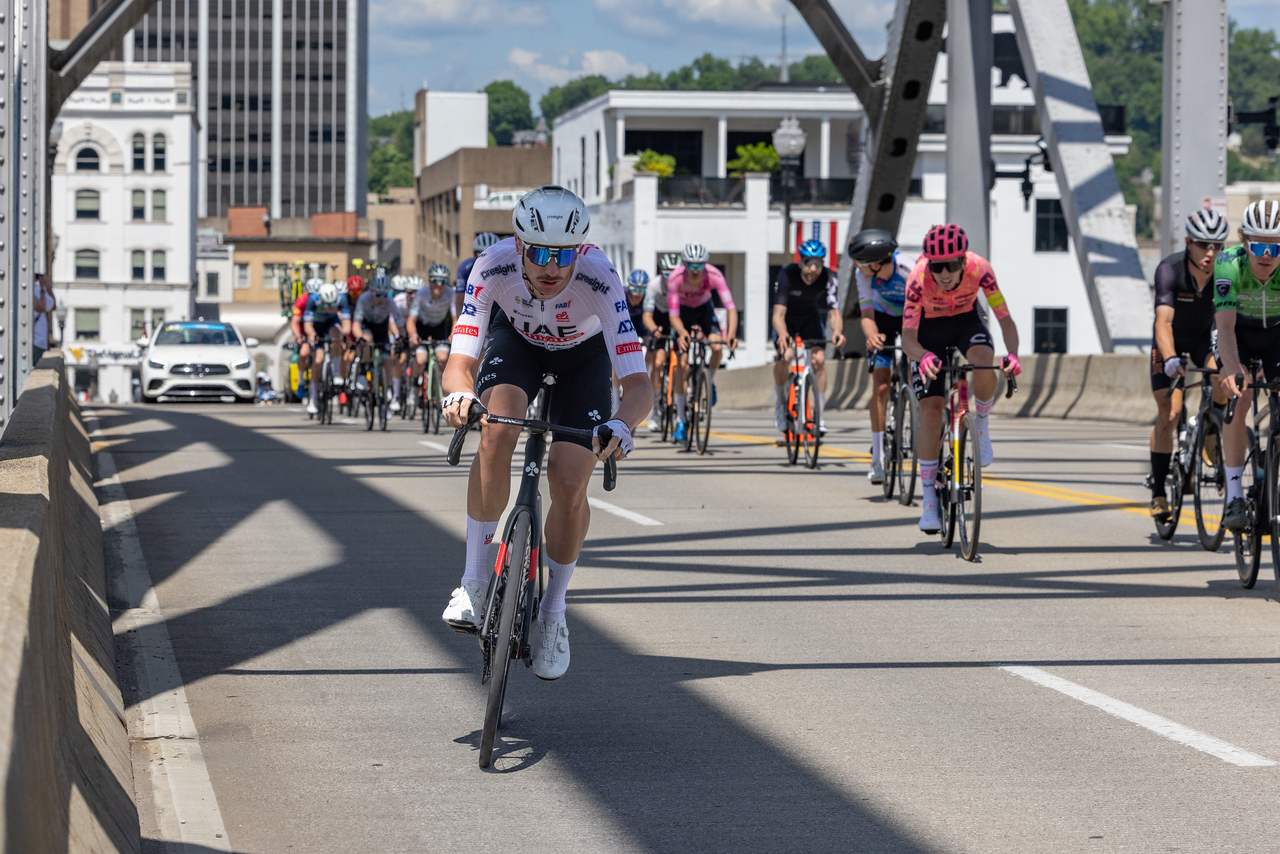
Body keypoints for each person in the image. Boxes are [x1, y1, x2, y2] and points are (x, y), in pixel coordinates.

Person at [440, 185, 649, 680]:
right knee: (495, 431)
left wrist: (623, 422)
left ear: (581, 250)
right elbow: (460, 362)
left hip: (585, 357)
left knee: (571, 479)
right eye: (539, 254)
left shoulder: (599, 278)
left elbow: (639, 384)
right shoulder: (490, 266)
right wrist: (458, 396)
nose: (552, 267)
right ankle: (471, 582)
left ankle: (554, 612)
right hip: (518, 344)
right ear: (518, 246)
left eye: (564, 255)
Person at [901, 224, 1020, 534]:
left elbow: (1005, 318)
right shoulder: (917, 278)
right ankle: (928, 499)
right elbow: (908, 339)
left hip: (966, 320)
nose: (943, 273)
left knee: (982, 361)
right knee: (931, 410)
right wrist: (923, 355)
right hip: (928, 331)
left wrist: (1013, 354)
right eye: (936, 265)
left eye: (951, 265)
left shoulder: (981, 269)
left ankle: (980, 425)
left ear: (963, 262)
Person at [1148, 209, 1230, 520]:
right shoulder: (1170, 270)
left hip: (1203, 339)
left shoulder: (1224, 272)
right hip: (1170, 341)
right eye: (1202, 244)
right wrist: (1169, 358)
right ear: (1188, 243)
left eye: (1216, 246)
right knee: (1168, 412)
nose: (1210, 253)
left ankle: (1210, 428)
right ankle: (1158, 492)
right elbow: (1163, 322)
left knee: (1222, 378)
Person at [1213, 199, 1280, 531]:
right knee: (1241, 400)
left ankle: (1273, 469)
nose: (1266, 255)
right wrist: (1232, 368)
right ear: (1244, 242)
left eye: (1275, 247)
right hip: (1239, 333)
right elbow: (1224, 327)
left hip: (1276, 335)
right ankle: (1235, 496)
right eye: (1257, 245)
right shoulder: (1228, 264)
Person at [850, 229, 912, 483]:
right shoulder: (862, 275)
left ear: (876, 264)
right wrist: (872, 336)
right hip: (883, 320)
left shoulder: (910, 269)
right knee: (881, 385)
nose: (857, 267)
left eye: (861, 263)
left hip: (913, 318)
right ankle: (877, 456)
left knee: (914, 374)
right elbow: (867, 316)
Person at [771, 238, 846, 435]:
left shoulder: (829, 277)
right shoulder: (787, 275)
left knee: (819, 359)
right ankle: (780, 405)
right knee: (785, 357)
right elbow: (777, 315)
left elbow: (835, 313)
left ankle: (819, 415)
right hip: (786, 318)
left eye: (818, 263)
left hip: (809, 317)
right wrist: (783, 335)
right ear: (800, 262)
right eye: (808, 262)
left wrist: (837, 332)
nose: (813, 268)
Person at [666, 243, 738, 442]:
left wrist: (731, 334)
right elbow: (673, 315)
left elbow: (730, 307)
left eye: (700, 266)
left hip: (705, 310)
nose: (696, 271)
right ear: (685, 265)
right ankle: (681, 419)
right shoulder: (675, 279)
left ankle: (710, 381)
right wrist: (681, 332)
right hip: (682, 314)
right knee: (682, 364)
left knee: (716, 347)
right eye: (691, 266)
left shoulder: (714, 275)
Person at [352, 270, 406, 411]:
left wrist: (400, 337)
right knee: (367, 340)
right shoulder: (364, 299)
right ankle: (363, 373)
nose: (380, 298)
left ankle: (387, 389)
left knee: (388, 360)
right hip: (367, 325)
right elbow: (356, 324)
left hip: (381, 327)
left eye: (384, 294)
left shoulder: (390, 301)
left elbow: (399, 324)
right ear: (371, 291)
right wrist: (360, 337)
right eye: (377, 294)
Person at [641, 253, 679, 432]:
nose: (671, 278)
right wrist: (654, 330)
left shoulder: (683, 286)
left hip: (677, 317)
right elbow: (647, 316)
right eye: (667, 275)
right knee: (657, 363)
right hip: (658, 318)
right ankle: (656, 412)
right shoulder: (654, 285)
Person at [302, 282, 353, 415]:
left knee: (336, 336)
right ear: (321, 300)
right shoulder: (312, 300)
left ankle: (336, 373)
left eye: (333, 304)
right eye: (327, 305)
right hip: (317, 326)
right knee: (318, 361)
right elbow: (307, 324)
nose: (331, 307)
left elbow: (347, 324)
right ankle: (313, 398)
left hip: (331, 323)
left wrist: (344, 334)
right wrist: (312, 334)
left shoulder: (342, 299)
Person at [407, 265, 455, 390]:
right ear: (429, 281)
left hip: (439, 327)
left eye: (443, 281)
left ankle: (442, 392)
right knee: (420, 360)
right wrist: (413, 335)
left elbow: (456, 319)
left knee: (443, 358)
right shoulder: (421, 294)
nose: (439, 284)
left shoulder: (451, 294)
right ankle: (414, 386)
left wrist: (453, 335)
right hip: (422, 326)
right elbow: (411, 320)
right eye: (435, 280)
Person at [455, 232, 502, 316]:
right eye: (483, 254)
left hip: (500, 309)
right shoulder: (465, 268)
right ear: (474, 254)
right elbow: (460, 300)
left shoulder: (506, 267)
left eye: (493, 254)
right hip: (476, 309)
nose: (488, 259)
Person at [33, 273, 55, 362]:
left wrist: (48, 288)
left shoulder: (37, 290)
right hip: (35, 342)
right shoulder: (31, 291)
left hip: (40, 342)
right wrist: (43, 288)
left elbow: (53, 306)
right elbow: (41, 308)